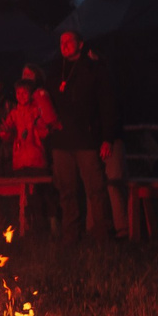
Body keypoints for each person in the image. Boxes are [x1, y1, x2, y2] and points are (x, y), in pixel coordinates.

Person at [48, 31, 118, 240]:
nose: (65, 45)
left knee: (95, 189)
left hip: (86, 140)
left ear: (80, 44)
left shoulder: (93, 69)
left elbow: (107, 104)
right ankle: (71, 235)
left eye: (69, 41)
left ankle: (102, 234)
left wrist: (107, 137)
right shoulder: (54, 70)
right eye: (62, 41)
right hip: (62, 140)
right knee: (67, 191)